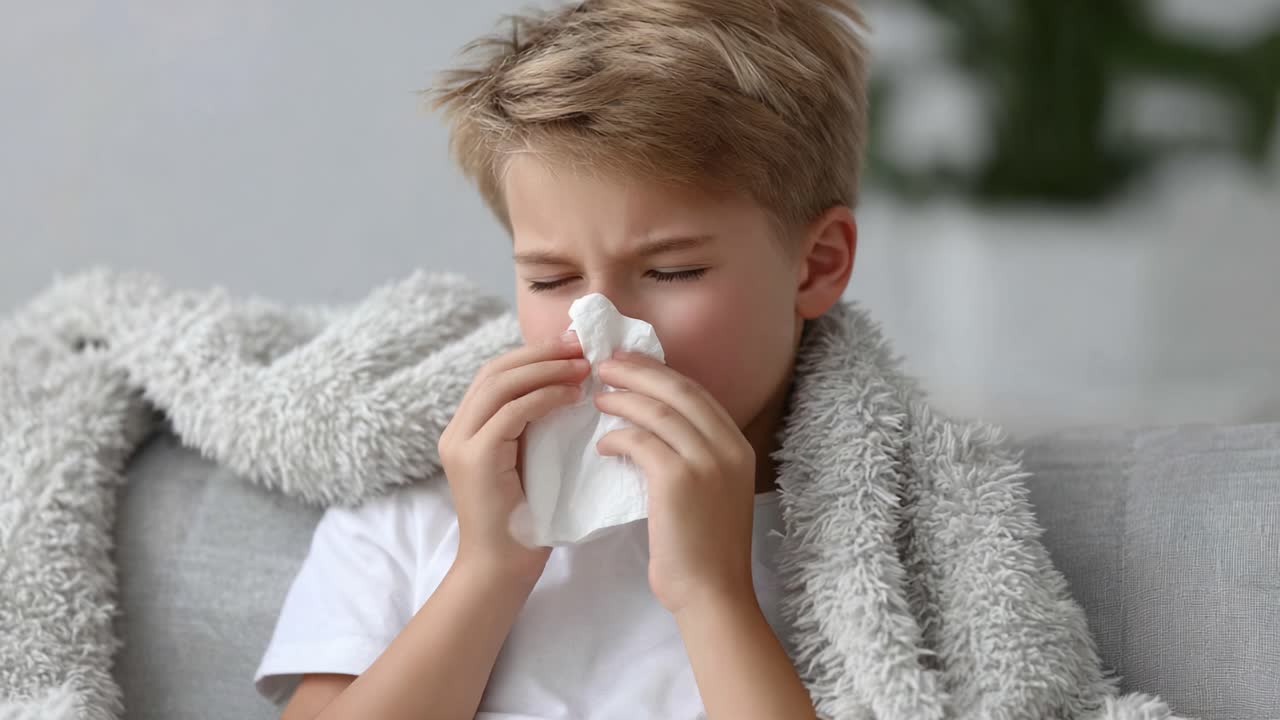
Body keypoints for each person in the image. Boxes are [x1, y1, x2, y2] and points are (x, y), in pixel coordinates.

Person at [254, 2, 1172, 719]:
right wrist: (490, 567)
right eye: (550, 276)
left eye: (673, 270)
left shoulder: (888, 536)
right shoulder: (422, 505)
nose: (601, 323)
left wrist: (709, 591)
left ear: (816, 265)